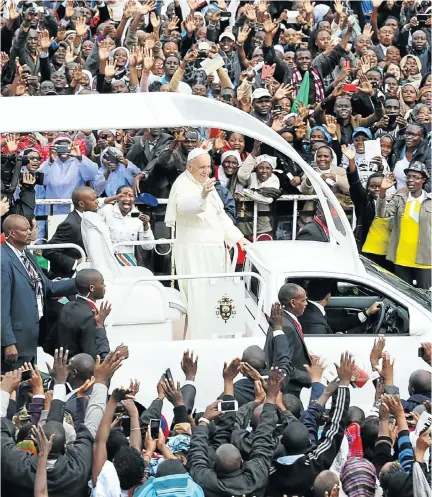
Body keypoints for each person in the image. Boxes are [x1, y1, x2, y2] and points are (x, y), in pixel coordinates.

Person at [164, 148, 247, 339]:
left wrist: (238, 238)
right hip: (196, 254)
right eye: (201, 167)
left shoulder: (206, 183)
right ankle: (198, 343)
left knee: (214, 299)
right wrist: (201, 196)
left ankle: (213, 337)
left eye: (208, 167)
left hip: (214, 253)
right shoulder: (183, 183)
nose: (206, 171)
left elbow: (220, 216)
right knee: (199, 300)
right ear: (189, 166)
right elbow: (183, 208)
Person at [267, 353, 354, 497]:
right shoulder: (315, 464)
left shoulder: (267, 473)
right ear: (309, 443)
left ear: (282, 443)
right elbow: (335, 427)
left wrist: (270, 397)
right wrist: (343, 385)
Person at [187, 368, 283, 497]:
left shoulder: (206, 483)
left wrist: (204, 420)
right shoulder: (256, 479)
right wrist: (271, 398)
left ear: (213, 465)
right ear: (242, 462)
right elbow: (263, 441)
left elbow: (197, 453)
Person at [1, 215, 76, 372]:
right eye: (25, 229)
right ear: (11, 233)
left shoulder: (27, 255)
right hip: (15, 340)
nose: (29, 232)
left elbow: (47, 287)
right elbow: (2, 305)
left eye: (30, 228)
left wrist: (79, 282)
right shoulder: (3, 260)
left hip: (31, 335)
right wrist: (8, 342)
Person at [376, 163, 431, 289]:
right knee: (404, 295)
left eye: (415, 177)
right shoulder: (399, 198)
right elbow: (382, 213)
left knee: (425, 297)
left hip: (424, 259)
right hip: (401, 257)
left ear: (423, 180)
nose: (410, 180)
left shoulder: (430, 201)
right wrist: (383, 190)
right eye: (408, 177)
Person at [47, 269, 110, 360]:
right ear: (91, 288)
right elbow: (95, 356)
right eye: (102, 283)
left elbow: (49, 344)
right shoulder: (90, 315)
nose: (104, 285)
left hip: (65, 368)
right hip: (81, 371)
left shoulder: (66, 307)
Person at [264, 284, 312, 398]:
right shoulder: (286, 327)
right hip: (288, 390)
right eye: (304, 300)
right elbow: (284, 363)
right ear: (293, 302)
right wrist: (309, 375)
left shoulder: (282, 321)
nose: (306, 304)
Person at [43, 186, 98, 279]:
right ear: (81, 204)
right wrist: (75, 263)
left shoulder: (92, 217)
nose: (97, 201)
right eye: (93, 199)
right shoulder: (70, 224)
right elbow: (48, 251)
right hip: (68, 278)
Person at [299, 279, 383, 335]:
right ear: (328, 297)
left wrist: (367, 312)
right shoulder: (315, 323)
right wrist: (333, 339)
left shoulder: (311, 310)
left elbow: (338, 323)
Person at [98, 185, 155, 266]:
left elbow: (148, 246)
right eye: (123, 195)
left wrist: (145, 226)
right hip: (106, 256)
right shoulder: (106, 211)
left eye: (131, 196)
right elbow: (95, 203)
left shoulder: (140, 217)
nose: (127, 199)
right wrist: (113, 198)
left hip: (128, 259)